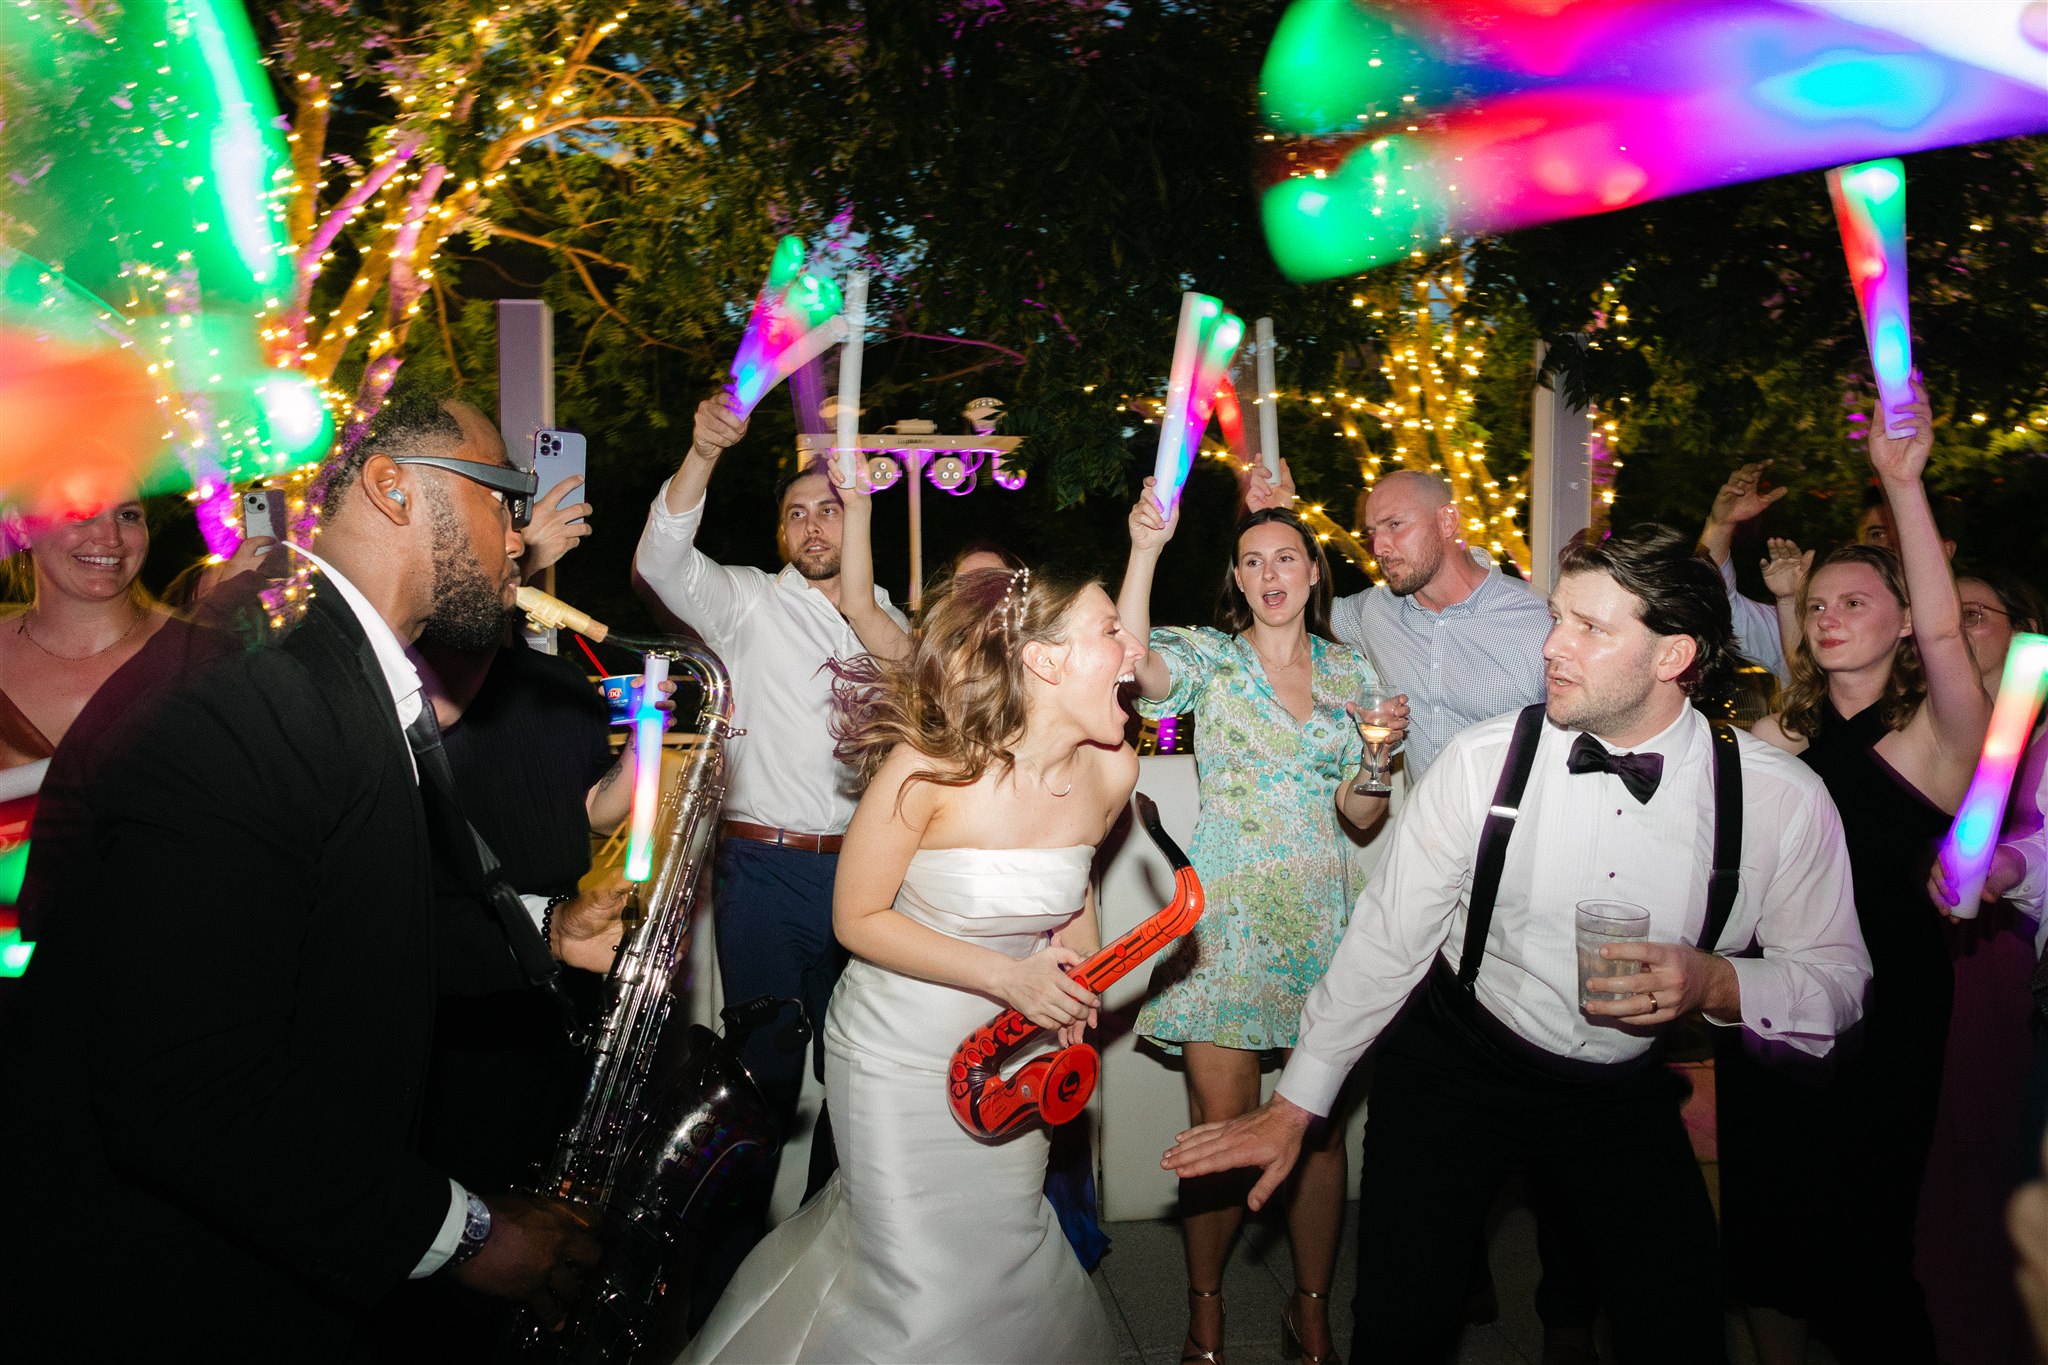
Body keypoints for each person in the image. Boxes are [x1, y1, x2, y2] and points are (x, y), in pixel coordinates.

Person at [1161, 523, 1871, 1365]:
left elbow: (1840, 983)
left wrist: (1716, 982)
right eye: (1556, 617)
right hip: (1457, 1060)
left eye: (1590, 627)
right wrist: (1296, 1104)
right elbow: (1387, 944)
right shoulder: (1482, 762)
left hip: (1620, 1087)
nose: (1552, 647)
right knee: (1398, 1320)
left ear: (1673, 654)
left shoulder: (1780, 800)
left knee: (1679, 1320)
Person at [0, 393, 601, 1360]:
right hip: (175, 1293)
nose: (521, 536)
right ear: (394, 489)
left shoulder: (314, 659)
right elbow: (188, 1081)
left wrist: (544, 923)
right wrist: (464, 1233)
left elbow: (340, 914)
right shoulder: (250, 691)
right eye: (504, 497)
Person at [680, 565, 1144, 1363]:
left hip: (1016, 1050)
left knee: (1000, 1253)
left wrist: (1079, 981)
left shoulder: (1112, 770)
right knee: (914, 1277)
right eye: (1110, 631)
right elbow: (855, 919)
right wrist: (1009, 978)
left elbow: (1073, 894)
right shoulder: (928, 769)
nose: (1134, 647)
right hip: (900, 1052)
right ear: (1044, 661)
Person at [1726, 377, 1991, 1364]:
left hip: (1884, 1022)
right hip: (1767, 1011)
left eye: (1855, 600)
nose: (1831, 616)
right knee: (1761, 1239)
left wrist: (1901, 485)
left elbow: (1939, 633)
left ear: (1898, 621)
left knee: (1864, 1248)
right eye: (1819, 603)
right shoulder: (1773, 736)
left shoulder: (1935, 738)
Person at [631, 391, 910, 1297]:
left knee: (859, 1074)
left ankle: (829, 1262)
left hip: (864, 879)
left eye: (827, 506)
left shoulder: (887, 623)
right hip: (761, 869)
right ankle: (722, 1285)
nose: (810, 523)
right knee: (759, 1082)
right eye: (795, 512)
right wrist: (703, 453)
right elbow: (661, 559)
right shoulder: (748, 602)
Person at [1118, 480, 1399, 1365]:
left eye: (1286, 557)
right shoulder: (1208, 656)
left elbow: (1359, 816)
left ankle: (1311, 1307)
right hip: (1224, 929)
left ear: (1313, 573)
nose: (1270, 573)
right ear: (1236, 581)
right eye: (1252, 561)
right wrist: (1145, 550)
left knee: (1313, 1131)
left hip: (1321, 922)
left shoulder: (1354, 672)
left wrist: (1380, 761)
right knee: (1221, 1128)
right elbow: (1133, 661)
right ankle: (1206, 1309)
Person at [1245, 461, 1550, 782]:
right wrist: (1276, 521)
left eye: (1395, 525)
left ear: (1447, 521)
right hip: (1425, 828)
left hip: (1514, 828)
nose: (1379, 547)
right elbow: (1284, 608)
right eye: (1373, 532)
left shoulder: (1538, 620)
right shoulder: (1377, 609)